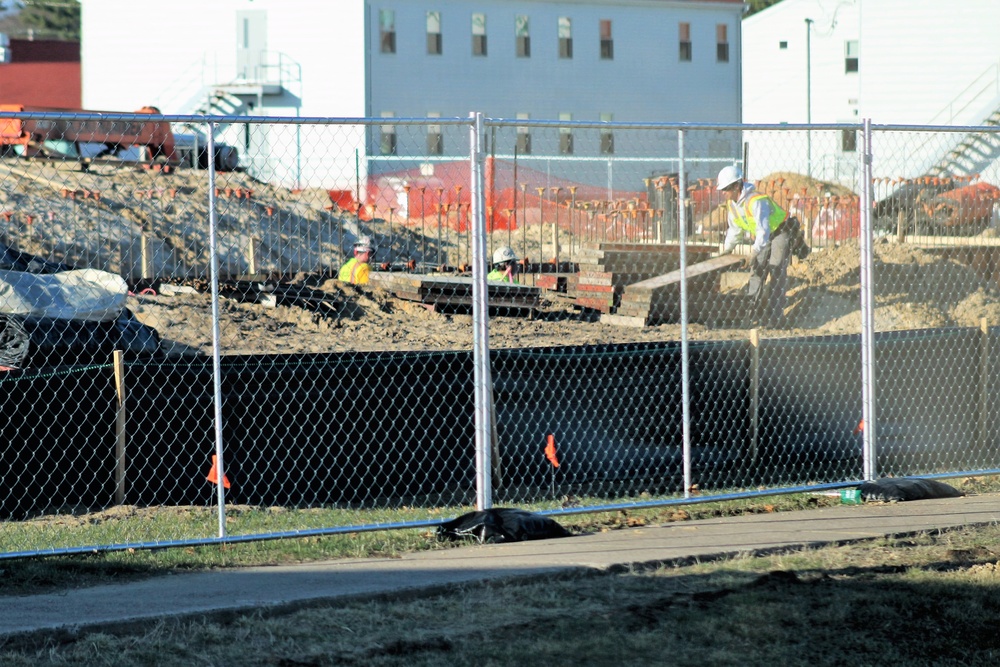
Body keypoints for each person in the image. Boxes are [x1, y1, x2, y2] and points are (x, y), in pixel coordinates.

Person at [717, 165, 807, 328]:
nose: (723, 192)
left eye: (725, 188)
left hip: (781, 231)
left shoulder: (756, 201)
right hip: (763, 237)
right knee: (757, 272)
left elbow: (763, 230)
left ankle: (775, 319)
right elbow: (734, 231)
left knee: (776, 270)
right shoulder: (732, 206)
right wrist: (726, 251)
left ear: (736, 186)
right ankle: (749, 315)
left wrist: (754, 252)